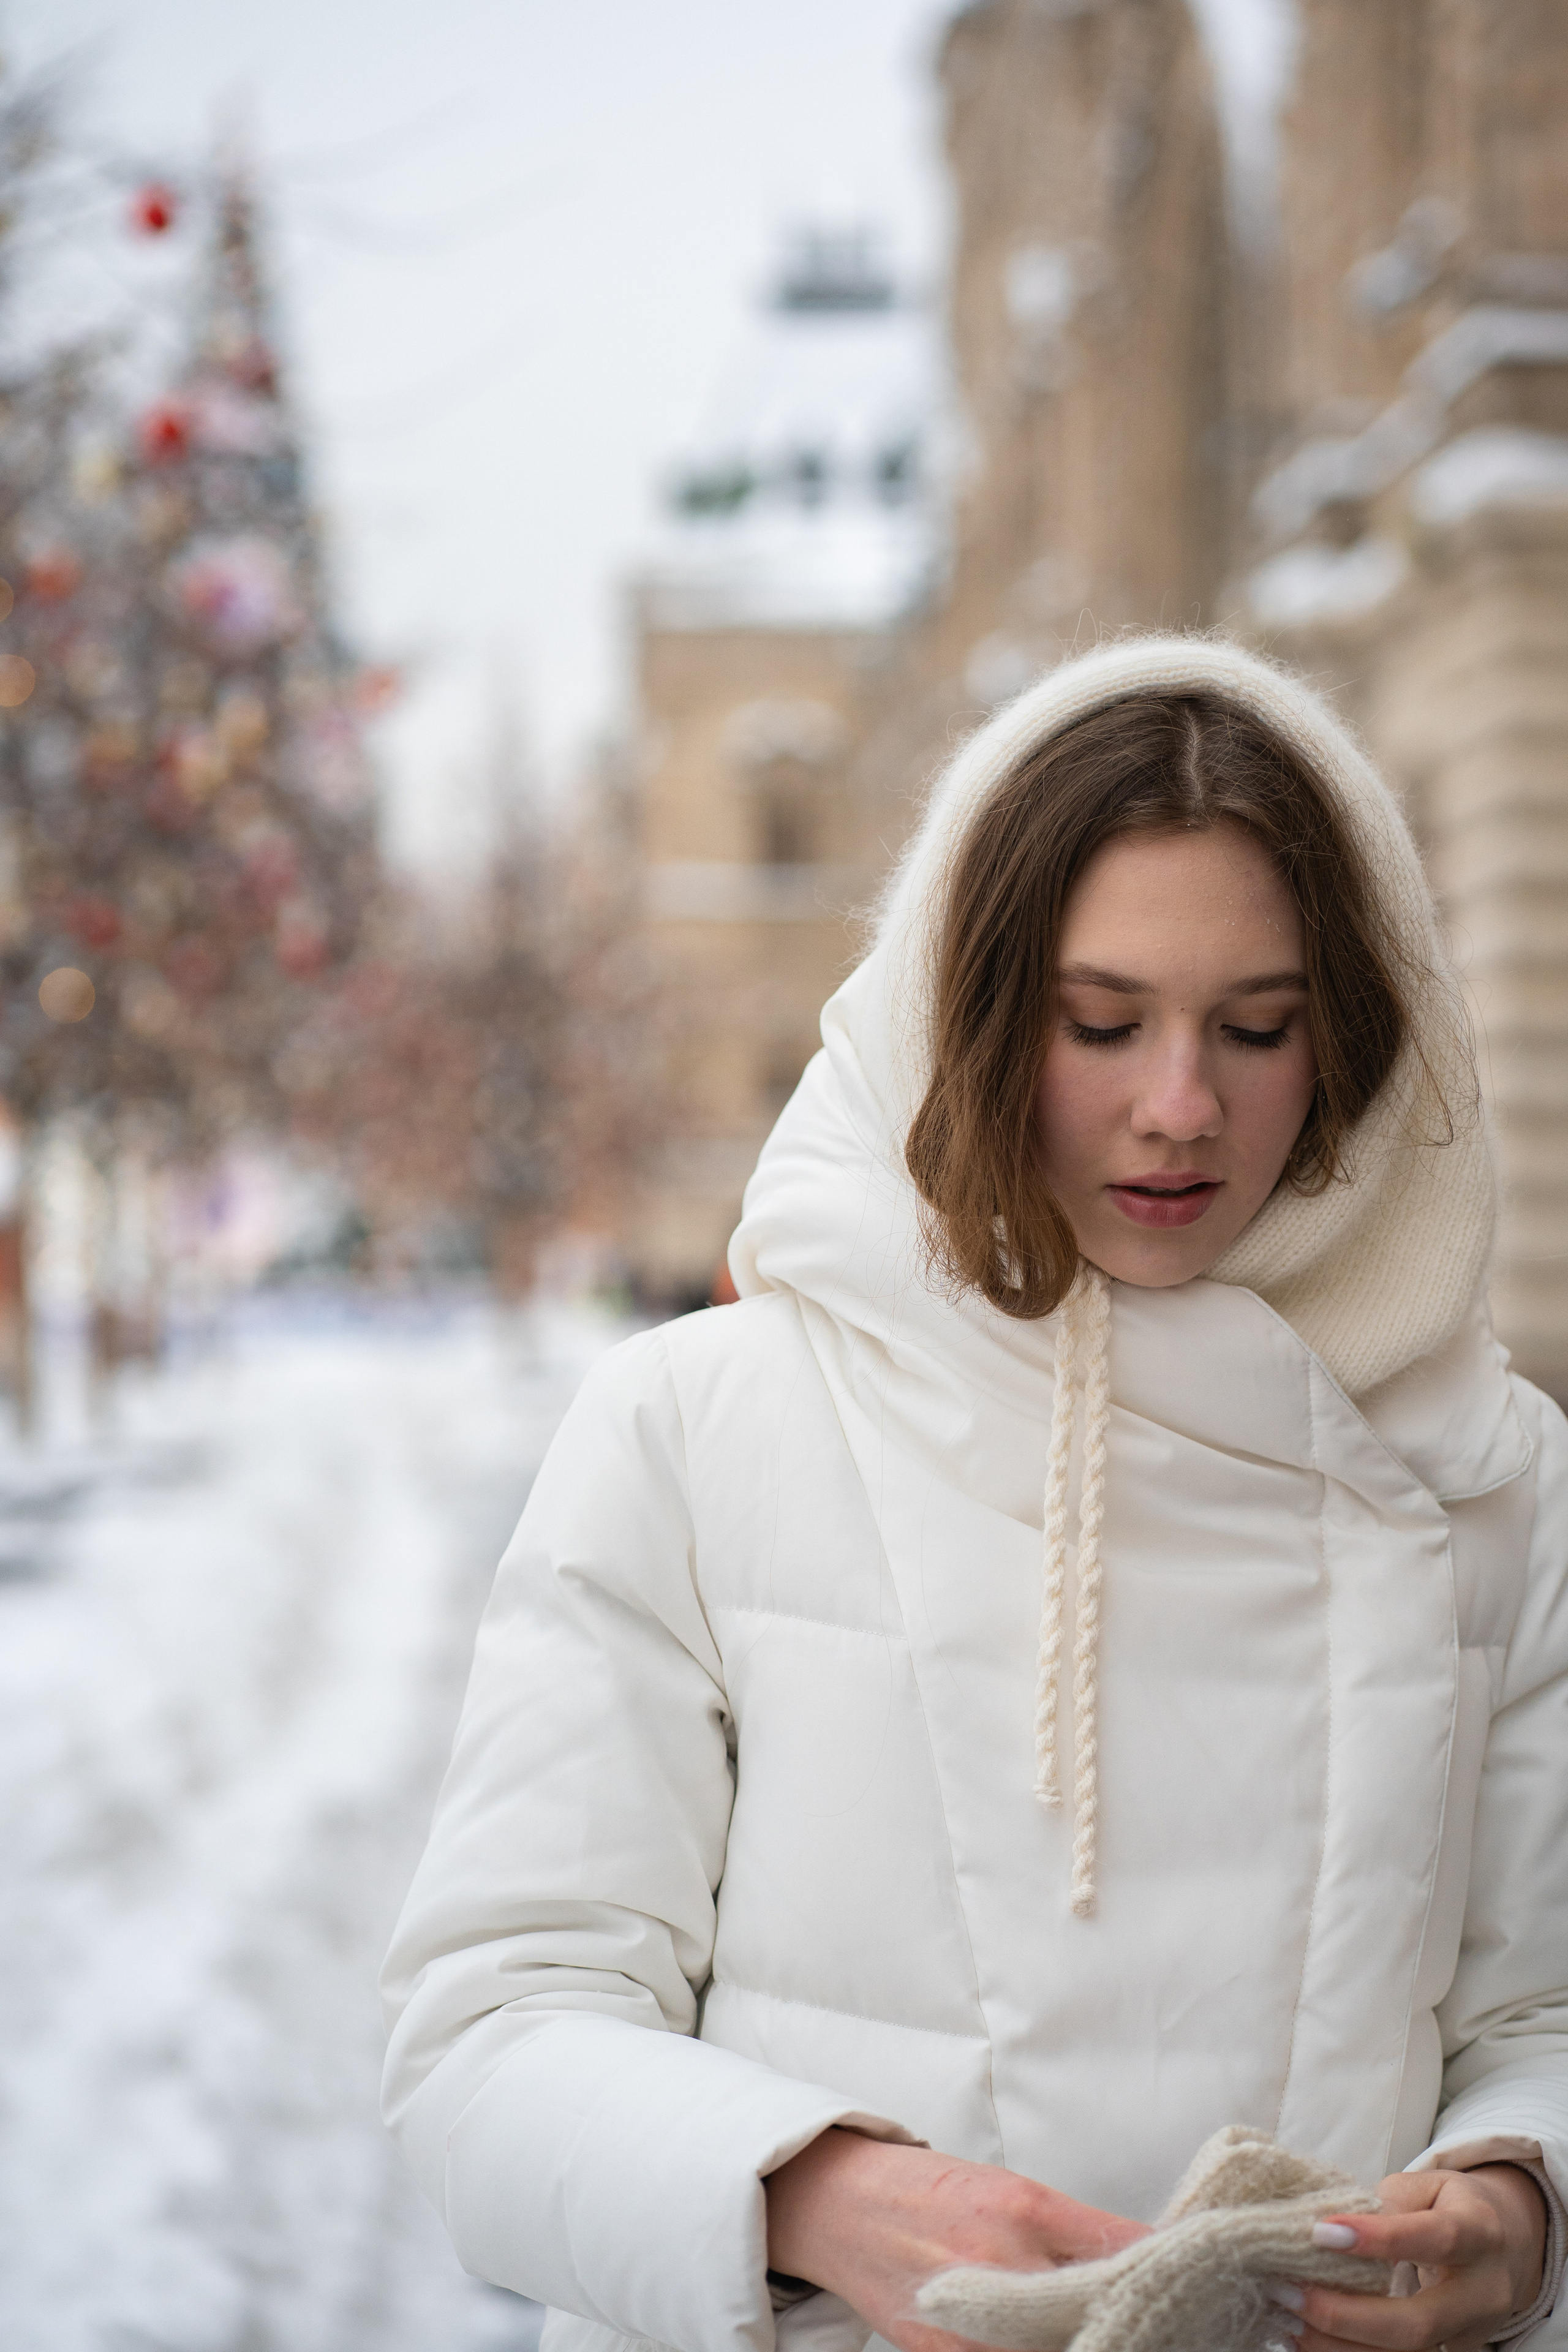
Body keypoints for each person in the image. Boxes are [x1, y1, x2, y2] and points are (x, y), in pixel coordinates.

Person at [381, 636, 1568, 2352]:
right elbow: (488, 2037)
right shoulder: (698, 1425)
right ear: (975, 1007)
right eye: (1102, 1023)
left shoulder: (1495, 1471)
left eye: (1258, 1026)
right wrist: (815, 2196)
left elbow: (1542, 2003)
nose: (1180, 1108)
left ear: (1356, 1041)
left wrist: (1522, 2208)